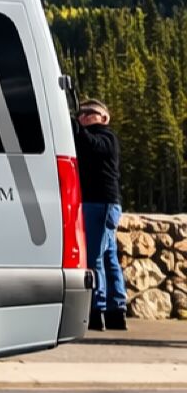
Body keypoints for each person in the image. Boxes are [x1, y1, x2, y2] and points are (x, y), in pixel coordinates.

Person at [73, 99, 127, 331]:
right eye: (81, 112)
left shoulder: (106, 137)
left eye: (90, 112)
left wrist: (74, 125)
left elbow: (91, 144)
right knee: (109, 257)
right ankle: (117, 310)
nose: (83, 115)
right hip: (104, 204)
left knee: (95, 257)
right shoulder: (93, 137)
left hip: (100, 203)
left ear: (105, 118)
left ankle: (98, 309)